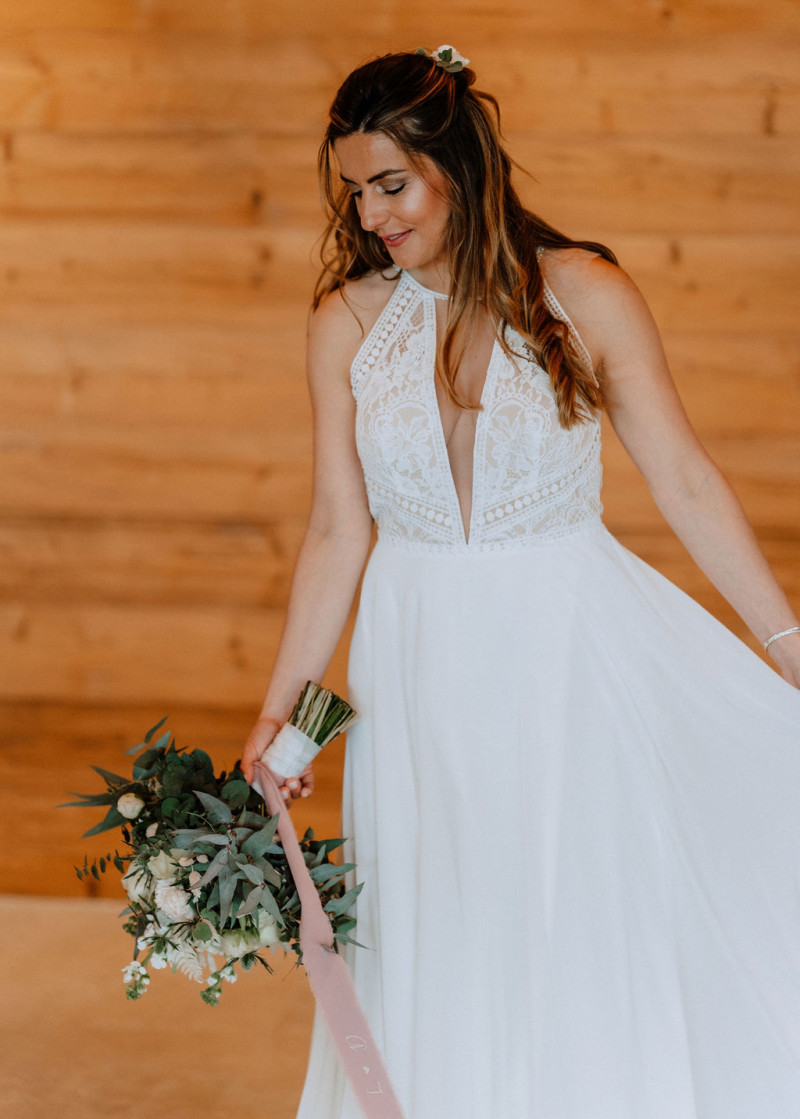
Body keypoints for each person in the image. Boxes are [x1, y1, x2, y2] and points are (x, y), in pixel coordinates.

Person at [242, 46, 800, 1119]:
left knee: (572, 899)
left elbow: (682, 477)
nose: (369, 216)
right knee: (438, 906)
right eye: (354, 191)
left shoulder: (582, 290)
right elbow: (333, 526)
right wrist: (283, 706)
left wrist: (785, 645)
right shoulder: (346, 323)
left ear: (457, 162)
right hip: (416, 658)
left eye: (390, 185)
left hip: (565, 647)